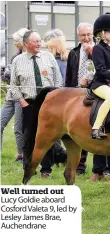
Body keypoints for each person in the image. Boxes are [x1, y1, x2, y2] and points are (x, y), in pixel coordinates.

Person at [10, 30, 63, 177]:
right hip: (29, 104)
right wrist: (22, 101)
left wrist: (54, 99)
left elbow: (58, 81)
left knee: (47, 137)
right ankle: (28, 168)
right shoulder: (17, 61)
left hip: (48, 103)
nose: (39, 43)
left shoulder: (49, 57)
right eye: (36, 41)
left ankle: (46, 170)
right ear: (26, 44)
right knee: (29, 137)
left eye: (40, 40)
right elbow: (14, 85)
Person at [65, 22, 95, 175]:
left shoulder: (98, 50)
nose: (87, 37)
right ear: (78, 36)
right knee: (77, 131)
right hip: (76, 94)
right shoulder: (74, 53)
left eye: (89, 34)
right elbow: (69, 76)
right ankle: (79, 166)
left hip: (94, 93)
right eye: (83, 35)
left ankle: (99, 168)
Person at [0, 28, 29, 162]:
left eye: (16, 41)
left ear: (23, 41)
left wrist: (9, 74)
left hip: (21, 97)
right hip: (10, 96)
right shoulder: (14, 56)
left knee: (18, 128)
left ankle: (21, 155)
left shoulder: (29, 57)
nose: (14, 43)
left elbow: (20, 76)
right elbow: (8, 76)